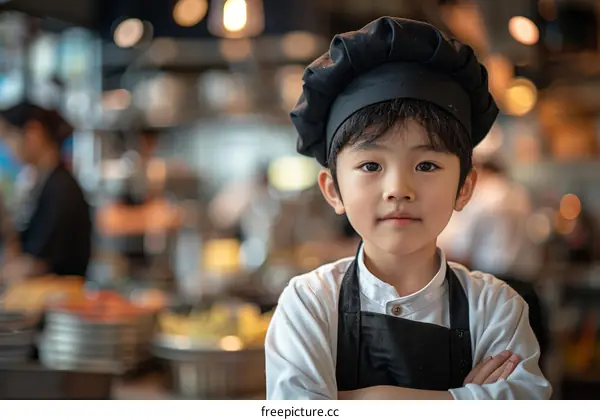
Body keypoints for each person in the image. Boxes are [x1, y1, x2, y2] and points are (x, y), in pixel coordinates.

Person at [265, 17, 552, 400]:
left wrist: (359, 399)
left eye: (427, 165)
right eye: (371, 166)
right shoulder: (309, 302)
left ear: (464, 188)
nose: (398, 189)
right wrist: (460, 400)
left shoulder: (497, 307)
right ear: (333, 190)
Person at [0, 101, 92, 279]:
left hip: (60, 299)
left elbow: (37, 263)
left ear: (34, 133)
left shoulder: (61, 188)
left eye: (8, 137)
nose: (6, 147)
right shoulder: (41, 182)